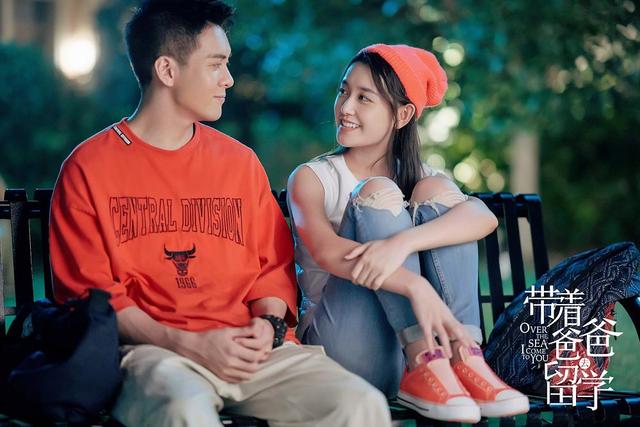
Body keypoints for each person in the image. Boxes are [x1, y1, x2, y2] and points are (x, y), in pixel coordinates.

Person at [48, 1, 392, 426]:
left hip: (252, 352)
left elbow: (271, 271)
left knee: (360, 404)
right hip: (154, 354)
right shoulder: (89, 168)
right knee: (184, 409)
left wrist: (266, 327)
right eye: (216, 65)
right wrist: (189, 344)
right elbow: (94, 299)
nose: (229, 79)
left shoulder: (239, 163)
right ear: (167, 70)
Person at [287, 43, 530, 423]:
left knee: (439, 195)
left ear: (402, 114)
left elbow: (483, 218)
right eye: (343, 91)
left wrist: (402, 242)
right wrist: (416, 287)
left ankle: (463, 355)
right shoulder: (313, 177)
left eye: (364, 98)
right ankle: (424, 358)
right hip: (343, 351)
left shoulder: (423, 176)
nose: (345, 107)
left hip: (412, 361)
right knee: (377, 190)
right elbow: (325, 250)